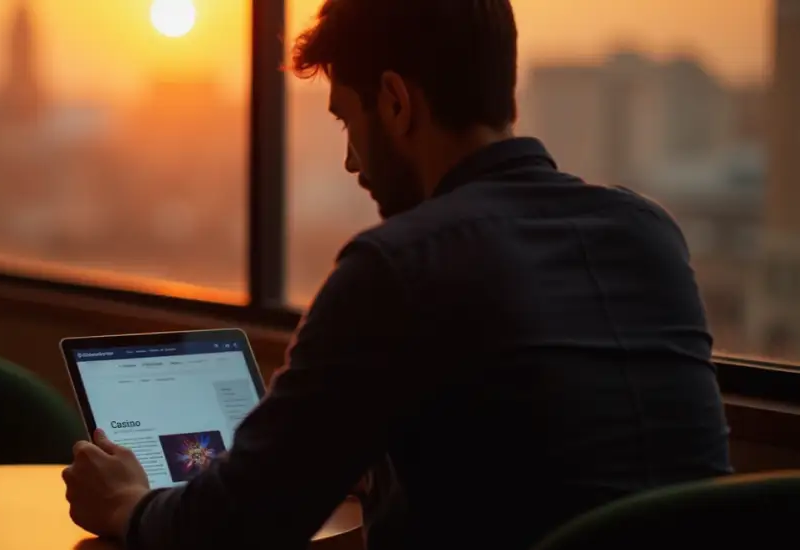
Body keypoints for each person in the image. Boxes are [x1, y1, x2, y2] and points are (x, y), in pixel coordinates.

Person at [61, 0, 733, 548]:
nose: (353, 163)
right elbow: (557, 459)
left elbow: (235, 527)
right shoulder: (648, 234)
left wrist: (130, 504)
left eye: (347, 121)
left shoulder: (399, 266)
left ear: (394, 101)